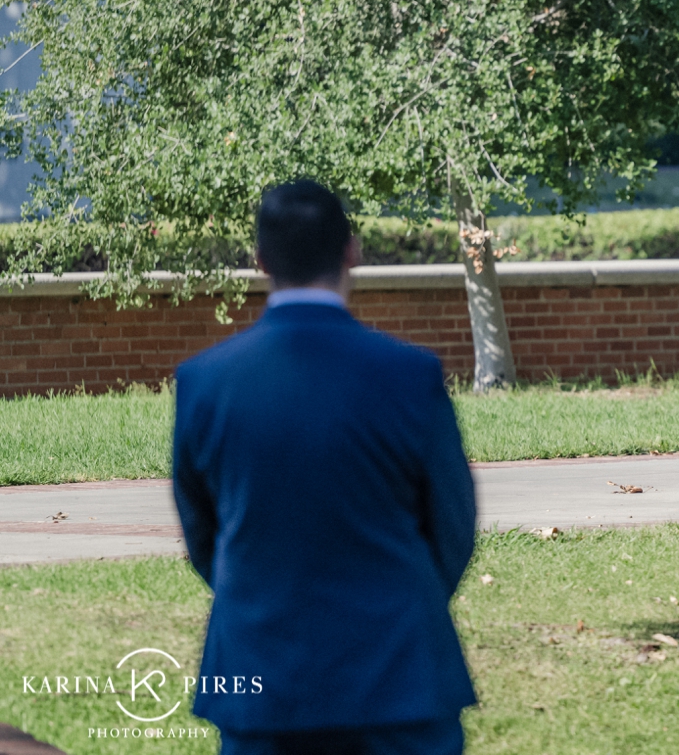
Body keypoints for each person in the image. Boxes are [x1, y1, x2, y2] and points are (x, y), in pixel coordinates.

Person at [173, 180, 477, 755]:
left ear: (260, 260)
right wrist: (403, 605)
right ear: (351, 250)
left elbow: (202, 534)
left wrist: (266, 597)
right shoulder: (410, 375)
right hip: (400, 678)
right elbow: (453, 524)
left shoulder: (204, 382)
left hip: (261, 681)